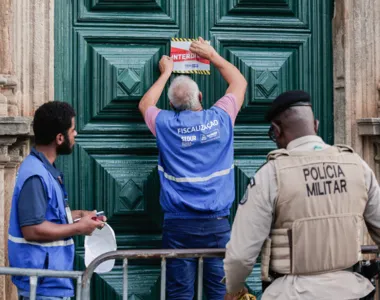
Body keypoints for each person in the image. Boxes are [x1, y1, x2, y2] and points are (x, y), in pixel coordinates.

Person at [223, 90, 380, 300]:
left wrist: (234, 288)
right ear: (315, 125)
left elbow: (241, 255)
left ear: (276, 131)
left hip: (292, 294)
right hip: (352, 292)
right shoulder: (357, 166)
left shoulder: (272, 174)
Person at [138, 37, 247, 299]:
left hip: (179, 226)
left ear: (172, 105)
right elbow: (239, 82)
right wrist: (211, 55)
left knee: (179, 293)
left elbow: (145, 105)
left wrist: (166, 73)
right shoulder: (221, 118)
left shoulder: (165, 124)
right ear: (200, 97)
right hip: (217, 225)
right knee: (220, 291)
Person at [8, 101, 107, 300]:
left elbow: (47, 215)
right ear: (60, 138)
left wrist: (79, 216)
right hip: (42, 287)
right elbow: (32, 229)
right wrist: (79, 228)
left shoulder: (43, 170)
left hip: (49, 283)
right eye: (73, 130)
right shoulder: (35, 175)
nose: (76, 134)